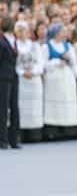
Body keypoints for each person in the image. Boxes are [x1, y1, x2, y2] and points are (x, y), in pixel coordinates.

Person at [42, 23, 77, 139]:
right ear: (56, 33)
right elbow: (43, 65)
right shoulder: (46, 47)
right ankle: (52, 131)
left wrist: (69, 58)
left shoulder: (68, 46)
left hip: (67, 80)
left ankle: (68, 130)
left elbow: (74, 64)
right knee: (53, 105)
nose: (65, 33)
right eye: (63, 31)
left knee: (67, 103)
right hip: (53, 80)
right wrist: (57, 62)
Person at [15, 20, 44, 142]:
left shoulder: (35, 45)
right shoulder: (14, 45)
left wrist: (33, 72)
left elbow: (40, 62)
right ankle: (20, 133)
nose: (22, 33)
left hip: (34, 80)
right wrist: (22, 72)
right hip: (21, 80)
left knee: (34, 106)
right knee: (20, 106)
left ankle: (35, 134)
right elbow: (13, 63)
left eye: (24, 30)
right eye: (19, 30)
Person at [0, 17, 21, 149]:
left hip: (14, 77)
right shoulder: (1, 41)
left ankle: (14, 139)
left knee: (14, 108)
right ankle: (3, 139)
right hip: (3, 78)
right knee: (3, 109)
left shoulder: (14, 41)